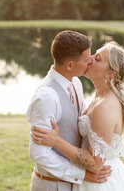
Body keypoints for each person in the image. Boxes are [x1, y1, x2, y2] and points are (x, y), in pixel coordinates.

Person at [32, 41, 124, 190]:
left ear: (110, 73)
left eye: (97, 59)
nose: (90, 59)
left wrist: (56, 141)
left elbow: (95, 164)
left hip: (100, 181)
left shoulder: (105, 107)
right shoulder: (99, 96)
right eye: (94, 54)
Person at [26, 30, 112, 191]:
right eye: (87, 59)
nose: (91, 62)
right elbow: (38, 153)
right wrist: (83, 175)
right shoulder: (47, 97)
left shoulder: (76, 83)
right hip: (52, 185)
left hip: (76, 184)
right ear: (70, 65)